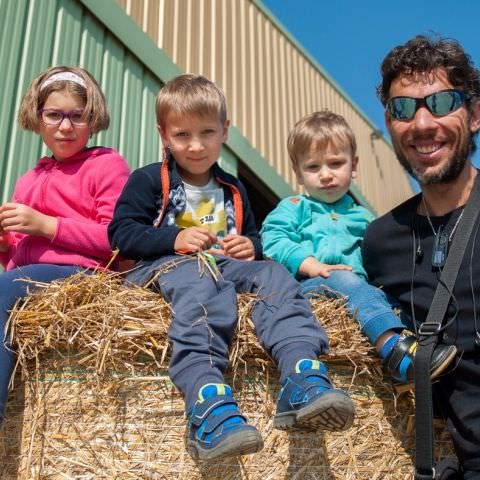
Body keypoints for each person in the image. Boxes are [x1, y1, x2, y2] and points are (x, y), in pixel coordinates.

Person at [108, 74, 355, 462]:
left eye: (207, 132)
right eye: (183, 135)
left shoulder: (234, 188)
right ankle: (206, 401)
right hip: (163, 269)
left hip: (225, 267)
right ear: (164, 134)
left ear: (226, 130)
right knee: (200, 279)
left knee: (273, 273)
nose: (195, 145)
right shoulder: (147, 180)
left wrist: (249, 247)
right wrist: (173, 239)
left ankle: (300, 373)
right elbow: (121, 234)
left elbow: (255, 238)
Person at [260, 110, 456, 391]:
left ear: (354, 165)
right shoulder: (294, 206)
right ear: (298, 173)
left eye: (336, 163)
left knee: (394, 298)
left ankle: (423, 361)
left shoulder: (364, 218)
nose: (326, 175)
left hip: (358, 291)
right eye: (313, 167)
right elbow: (274, 240)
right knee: (342, 279)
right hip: (310, 288)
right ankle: (393, 348)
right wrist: (310, 263)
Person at [362, 35, 480, 478]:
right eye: (403, 109)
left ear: (474, 115)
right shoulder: (380, 242)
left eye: (442, 102)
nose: (422, 123)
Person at [0, 66, 130, 424]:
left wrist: (47, 225)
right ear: (37, 117)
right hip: (29, 278)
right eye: (54, 115)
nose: (66, 126)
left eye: (78, 116)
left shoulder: (107, 165)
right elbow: (18, 254)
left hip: (82, 275)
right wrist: (5, 244)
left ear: (93, 119)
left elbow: (117, 239)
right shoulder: (31, 177)